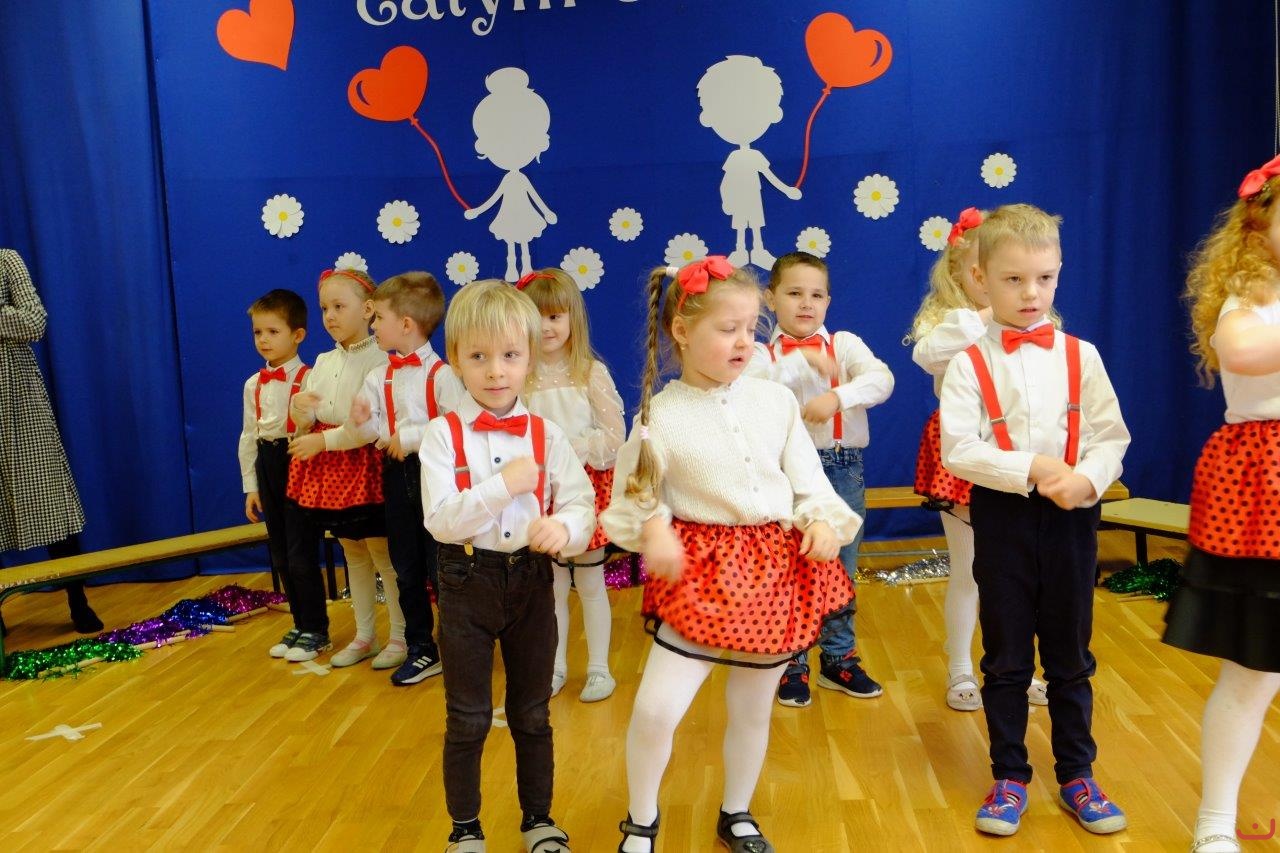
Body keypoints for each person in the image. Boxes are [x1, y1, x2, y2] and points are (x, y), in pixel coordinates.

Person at [604, 257, 859, 853]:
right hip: (699, 575)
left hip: (773, 572)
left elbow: (809, 484)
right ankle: (641, 820)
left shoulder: (775, 403)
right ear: (682, 331)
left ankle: (736, 813)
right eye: (728, 329)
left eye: (751, 328)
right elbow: (631, 501)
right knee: (656, 709)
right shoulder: (658, 418)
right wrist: (654, 529)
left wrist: (824, 522)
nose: (745, 341)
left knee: (752, 708)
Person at [938, 203, 1130, 837]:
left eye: (1044, 278)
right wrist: (1035, 467)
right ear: (980, 278)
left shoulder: (1082, 355)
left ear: (1059, 272)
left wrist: (1087, 478)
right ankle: (1010, 776)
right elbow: (959, 449)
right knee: (1007, 652)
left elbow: (1110, 434)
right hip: (1004, 514)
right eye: (1014, 279)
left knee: (1071, 651)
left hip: (1073, 514)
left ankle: (1077, 772)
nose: (1031, 293)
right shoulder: (968, 363)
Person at [420, 279, 593, 853]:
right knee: (468, 717)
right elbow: (441, 520)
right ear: (456, 360)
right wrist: (503, 486)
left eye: (510, 355)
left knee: (532, 713)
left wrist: (565, 527)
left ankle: (538, 820)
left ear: (530, 358)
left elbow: (582, 503)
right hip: (465, 579)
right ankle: (465, 828)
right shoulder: (441, 436)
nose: (496, 371)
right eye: (479, 357)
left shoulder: (547, 435)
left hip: (531, 581)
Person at [1163, 154, 1280, 853]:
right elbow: (1241, 352)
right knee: (1254, 668)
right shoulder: (1249, 295)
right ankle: (1215, 819)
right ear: (1258, 225)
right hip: (1265, 488)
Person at [907, 208, 1052, 712]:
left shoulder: (1036, 323)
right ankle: (961, 670)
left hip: (1022, 453)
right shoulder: (950, 322)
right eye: (988, 269)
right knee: (970, 570)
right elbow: (927, 355)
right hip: (965, 450)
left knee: (1022, 570)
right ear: (968, 272)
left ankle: (1018, 669)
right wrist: (989, 317)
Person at [748, 250, 892, 706]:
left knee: (840, 566)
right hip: (785, 474)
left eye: (816, 295)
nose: (806, 303)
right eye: (794, 293)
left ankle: (838, 658)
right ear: (771, 298)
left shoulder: (844, 345)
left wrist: (838, 397)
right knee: (791, 567)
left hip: (842, 466)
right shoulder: (759, 355)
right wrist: (801, 363)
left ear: (828, 301)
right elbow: (754, 389)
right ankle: (793, 662)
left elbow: (881, 379)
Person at [287, 268, 405, 669]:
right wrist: (301, 412)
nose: (330, 316)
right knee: (352, 552)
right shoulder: (322, 361)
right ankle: (365, 634)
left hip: (364, 465)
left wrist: (322, 438)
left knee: (382, 554)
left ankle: (400, 636)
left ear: (368, 310)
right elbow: (307, 418)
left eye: (339, 306)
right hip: (332, 472)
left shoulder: (380, 362)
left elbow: (366, 424)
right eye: (324, 308)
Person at [350, 272, 463, 686]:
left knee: (441, 563)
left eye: (378, 318)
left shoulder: (444, 375)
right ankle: (420, 647)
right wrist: (362, 421)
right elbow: (371, 432)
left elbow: (458, 425)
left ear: (406, 324)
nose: (373, 326)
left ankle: (458, 643)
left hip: (436, 476)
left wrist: (412, 437)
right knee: (405, 565)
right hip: (396, 477)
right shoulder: (378, 377)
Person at [520, 268, 625, 703]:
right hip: (538, 493)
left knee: (591, 582)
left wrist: (567, 451)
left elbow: (614, 437)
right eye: (538, 317)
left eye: (555, 316)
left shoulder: (589, 373)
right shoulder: (520, 375)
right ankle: (555, 666)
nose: (547, 327)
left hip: (583, 489)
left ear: (572, 320)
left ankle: (599, 669)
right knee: (552, 587)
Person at [0, 248, 100, 635]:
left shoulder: (7, 260)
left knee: (51, 503)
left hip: (19, 399)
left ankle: (78, 600)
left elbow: (34, 320)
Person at [237, 288, 324, 660]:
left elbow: (317, 426)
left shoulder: (311, 378)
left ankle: (317, 629)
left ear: (298, 335)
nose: (263, 340)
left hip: (298, 462)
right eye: (258, 332)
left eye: (273, 331)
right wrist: (251, 486)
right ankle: (299, 623)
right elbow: (248, 436)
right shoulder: (253, 384)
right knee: (281, 553)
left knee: (301, 551)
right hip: (267, 462)